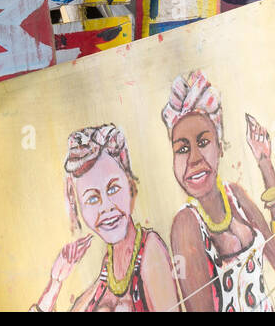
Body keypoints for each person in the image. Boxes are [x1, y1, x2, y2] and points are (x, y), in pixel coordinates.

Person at [162, 72, 275, 311]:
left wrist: (265, 163)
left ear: (220, 147)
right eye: (182, 149)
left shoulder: (236, 196)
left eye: (203, 143)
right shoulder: (185, 224)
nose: (194, 159)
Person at [32, 124, 179, 311]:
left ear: (129, 185)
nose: (107, 207)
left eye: (113, 188)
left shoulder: (150, 251)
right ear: (80, 210)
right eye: (92, 198)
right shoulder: (107, 270)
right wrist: (56, 281)